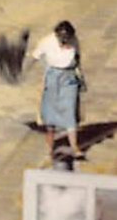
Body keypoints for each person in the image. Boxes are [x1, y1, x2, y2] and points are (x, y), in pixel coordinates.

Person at [33, 21, 84, 161]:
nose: (65, 42)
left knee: (70, 109)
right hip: (53, 77)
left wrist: (80, 78)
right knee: (50, 115)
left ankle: (75, 147)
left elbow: (77, 58)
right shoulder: (47, 41)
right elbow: (35, 56)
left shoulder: (74, 41)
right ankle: (49, 149)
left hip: (69, 77)